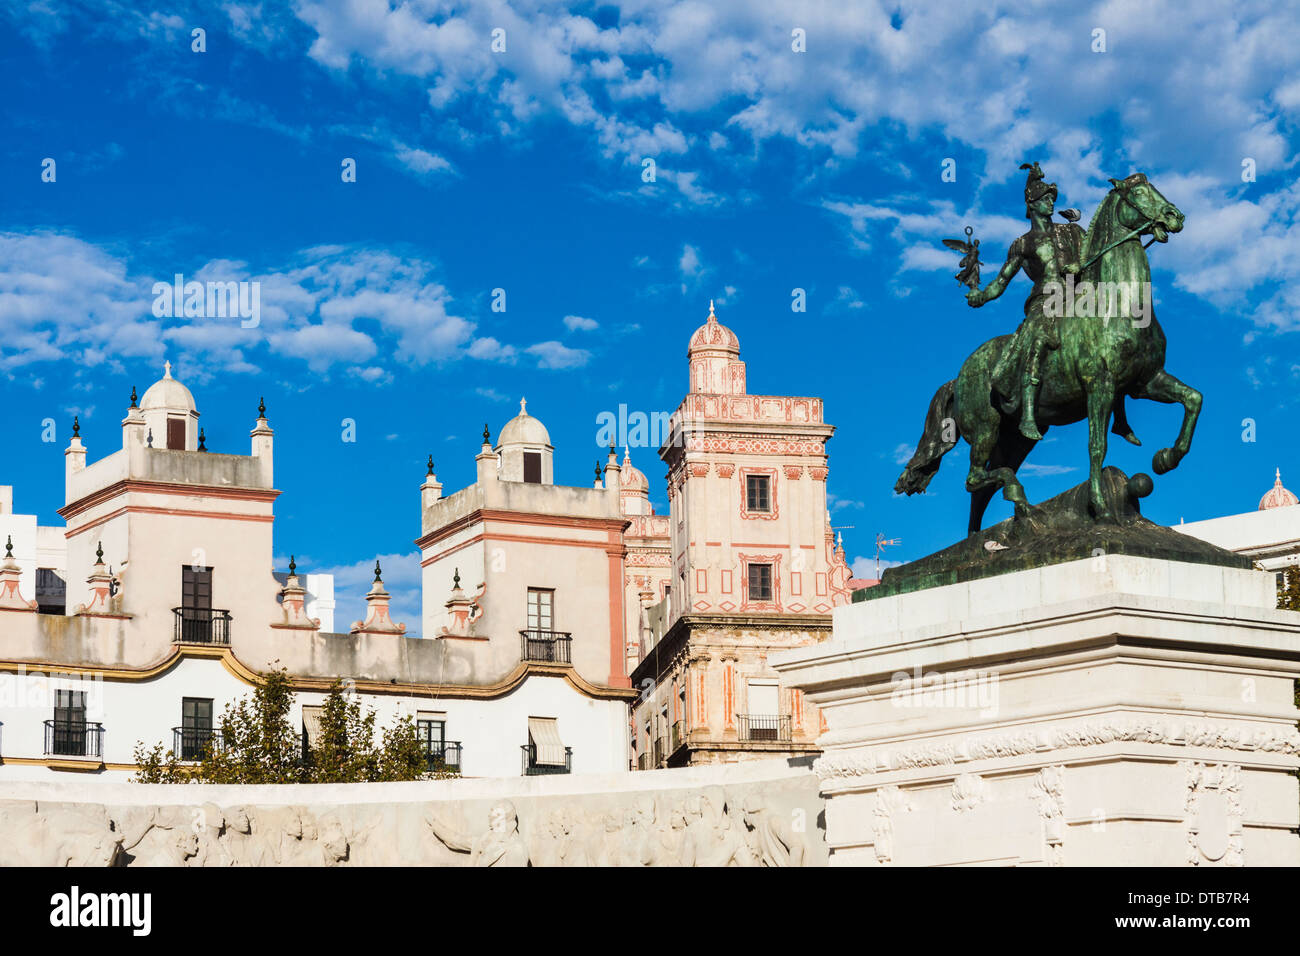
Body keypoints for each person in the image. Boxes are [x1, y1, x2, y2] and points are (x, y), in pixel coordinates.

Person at [967, 162, 1085, 440]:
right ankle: (1029, 413)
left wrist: (1078, 267)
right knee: (1038, 335)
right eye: (1045, 199)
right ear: (1031, 204)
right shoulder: (1022, 243)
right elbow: (1001, 281)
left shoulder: (1072, 232)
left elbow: (1094, 257)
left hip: (1079, 296)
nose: (1051, 204)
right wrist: (982, 296)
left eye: (1052, 199)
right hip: (1045, 299)